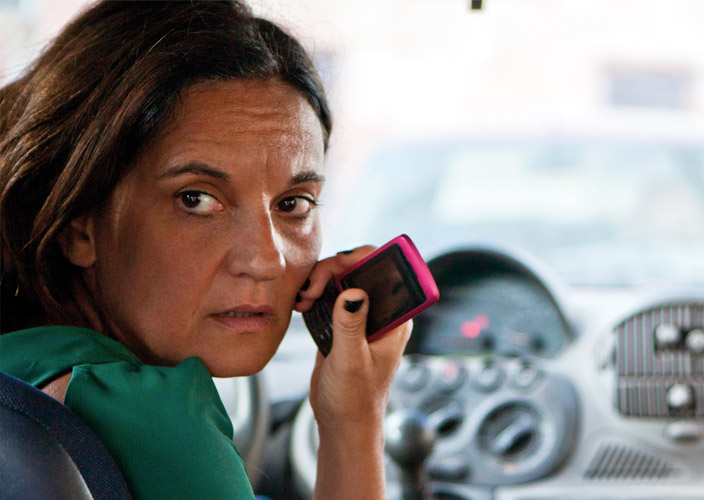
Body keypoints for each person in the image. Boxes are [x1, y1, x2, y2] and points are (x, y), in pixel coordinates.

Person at [0, 1, 409, 498]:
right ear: (78, 228)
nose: (267, 260)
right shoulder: (149, 416)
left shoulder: (23, 368)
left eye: (294, 203)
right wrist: (358, 424)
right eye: (195, 200)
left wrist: (348, 411)